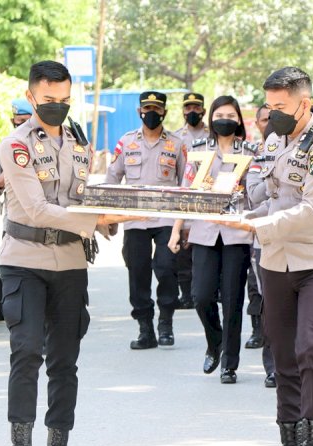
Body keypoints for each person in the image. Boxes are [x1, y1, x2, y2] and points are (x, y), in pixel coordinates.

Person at [0, 60, 137, 446]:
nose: (56, 106)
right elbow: (36, 209)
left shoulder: (78, 145)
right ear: (32, 96)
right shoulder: (14, 146)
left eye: (63, 99)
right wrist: (96, 220)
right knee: (27, 351)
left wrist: (113, 216)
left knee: (64, 360)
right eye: (48, 99)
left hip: (71, 262)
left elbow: (82, 198)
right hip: (24, 262)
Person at [219, 67, 313, 446]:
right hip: (275, 262)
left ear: (304, 104)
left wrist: (256, 227)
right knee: (284, 356)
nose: (273, 114)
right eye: (269, 106)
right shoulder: (272, 142)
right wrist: (243, 216)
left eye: (281, 106)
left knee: (311, 348)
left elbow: (310, 210)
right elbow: (268, 201)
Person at [168, 95, 256, 384]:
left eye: (231, 114)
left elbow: (256, 193)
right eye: (220, 114)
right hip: (205, 231)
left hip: (236, 232)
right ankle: (214, 340)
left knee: (232, 298)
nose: (225, 119)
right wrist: (176, 230)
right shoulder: (198, 150)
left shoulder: (250, 151)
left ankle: (229, 363)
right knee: (201, 295)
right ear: (212, 119)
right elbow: (187, 191)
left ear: (238, 119)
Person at [105, 91, 186, 350]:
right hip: (135, 219)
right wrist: (111, 216)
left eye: (156, 109)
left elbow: (186, 182)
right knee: (137, 273)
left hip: (165, 218)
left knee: (166, 269)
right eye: (147, 108)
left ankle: (166, 323)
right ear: (140, 111)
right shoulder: (126, 142)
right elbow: (112, 179)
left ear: (164, 112)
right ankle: (145, 329)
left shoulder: (176, 143)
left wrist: (184, 224)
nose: (151, 113)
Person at [174, 93, 209, 310]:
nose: (192, 112)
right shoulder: (177, 138)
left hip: (206, 199)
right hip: (185, 197)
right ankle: (186, 294)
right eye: (188, 108)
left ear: (203, 111)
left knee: (205, 248)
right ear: (183, 111)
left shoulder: (211, 135)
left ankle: (208, 291)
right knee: (183, 252)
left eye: (196, 108)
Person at [244, 105, 271, 351]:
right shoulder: (254, 155)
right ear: (258, 124)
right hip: (259, 232)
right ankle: (257, 330)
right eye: (265, 119)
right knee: (257, 287)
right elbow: (253, 195)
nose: (270, 123)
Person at [0, 99, 33, 201]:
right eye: (21, 121)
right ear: (13, 121)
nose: (26, 126)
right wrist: (3, 179)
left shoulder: (49, 147)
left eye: (30, 121)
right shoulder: (2, 150)